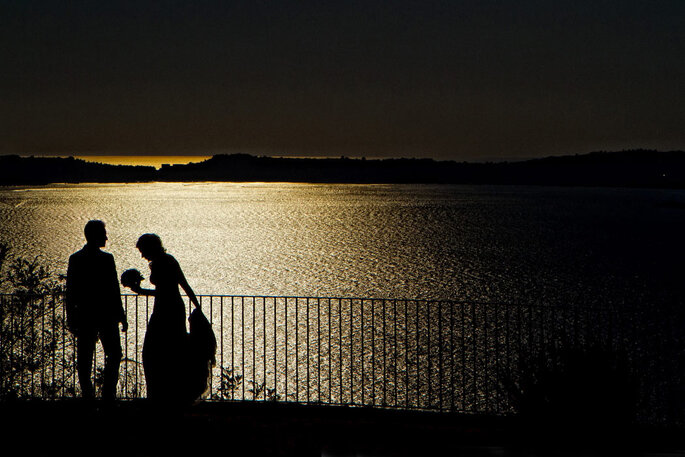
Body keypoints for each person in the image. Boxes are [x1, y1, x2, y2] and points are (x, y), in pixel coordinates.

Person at [127, 233, 201, 402]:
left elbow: (167, 291)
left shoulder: (164, 262)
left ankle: (159, 395)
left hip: (167, 311)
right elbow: (183, 285)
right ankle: (167, 394)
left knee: (154, 353)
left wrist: (140, 291)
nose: (142, 255)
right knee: (167, 353)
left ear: (150, 247)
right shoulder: (167, 260)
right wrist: (197, 307)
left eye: (143, 251)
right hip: (170, 309)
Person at [66, 220, 128, 401]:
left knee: (86, 360)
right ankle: (107, 395)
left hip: (86, 315)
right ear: (95, 236)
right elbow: (113, 289)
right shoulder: (106, 259)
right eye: (103, 234)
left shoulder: (76, 258)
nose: (106, 237)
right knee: (113, 355)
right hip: (105, 315)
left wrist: (71, 317)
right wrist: (121, 315)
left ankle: (90, 396)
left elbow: (71, 292)